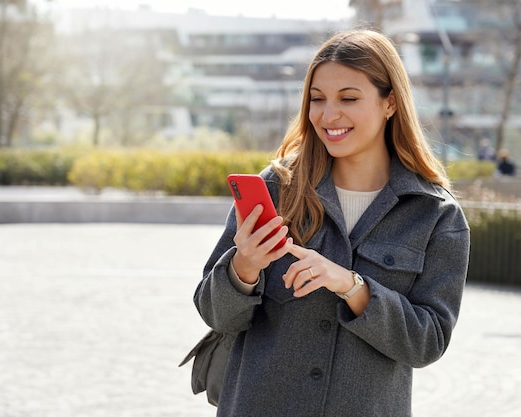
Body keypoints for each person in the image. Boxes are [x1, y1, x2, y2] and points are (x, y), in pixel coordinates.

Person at [193, 29, 470, 417]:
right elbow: (215, 313)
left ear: (390, 102)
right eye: (317, 99)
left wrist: (351, 286)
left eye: (349, 99)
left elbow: (428, 342)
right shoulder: (276, 189)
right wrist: (244, 267)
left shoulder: (435, 215)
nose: (328, 115)